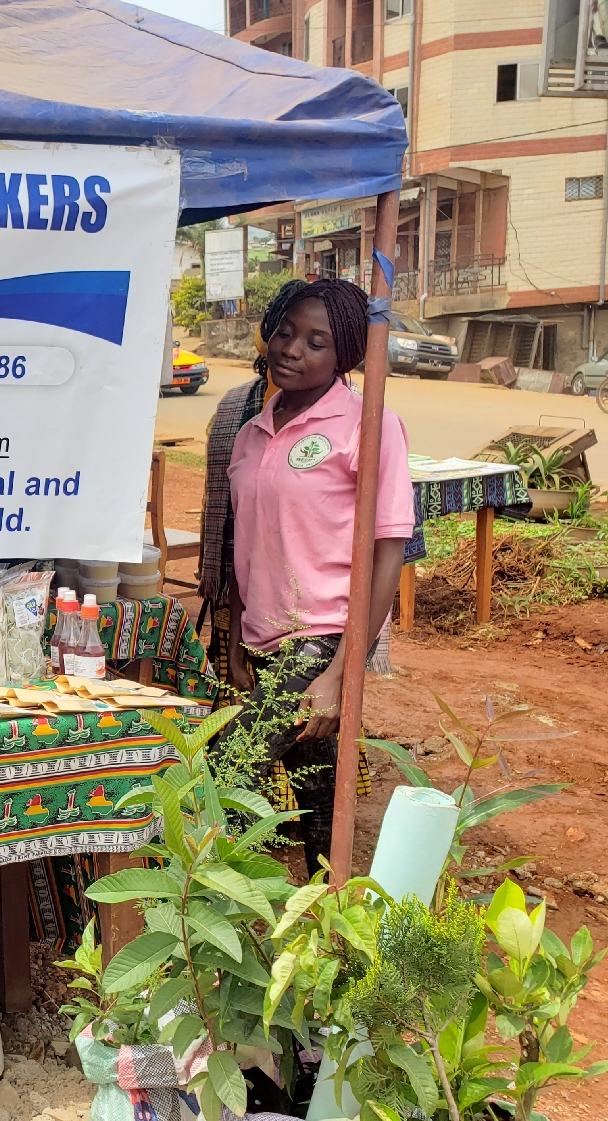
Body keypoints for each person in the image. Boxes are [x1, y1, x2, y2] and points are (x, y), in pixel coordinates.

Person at [204, 278, 414, 873]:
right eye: (286, 332)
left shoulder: (368, 426)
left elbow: (388, 553)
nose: (292, 349)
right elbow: (246, 537)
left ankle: (209, 911)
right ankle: (331, 917)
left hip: (321, 635)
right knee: (317, 797)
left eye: (316, 343)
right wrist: (237, 638)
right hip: (263, 636)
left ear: (344, 356)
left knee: (227, 775)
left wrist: (341, 670)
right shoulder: (251, 432)